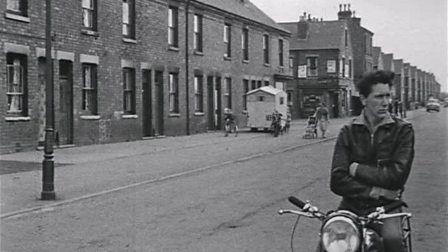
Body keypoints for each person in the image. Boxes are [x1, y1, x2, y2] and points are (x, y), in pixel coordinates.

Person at [330, 70, 415, 251]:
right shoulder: (348, 131)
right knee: (329, 240)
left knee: (393, 240)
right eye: (379, 97)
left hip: (387, 207)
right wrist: (375, 191)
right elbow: (337, 180)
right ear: (363, 99)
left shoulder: (403, 130)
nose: (386, 102)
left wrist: (356, 169)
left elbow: (396, 177)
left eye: (388, 96)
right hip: (351, 204)